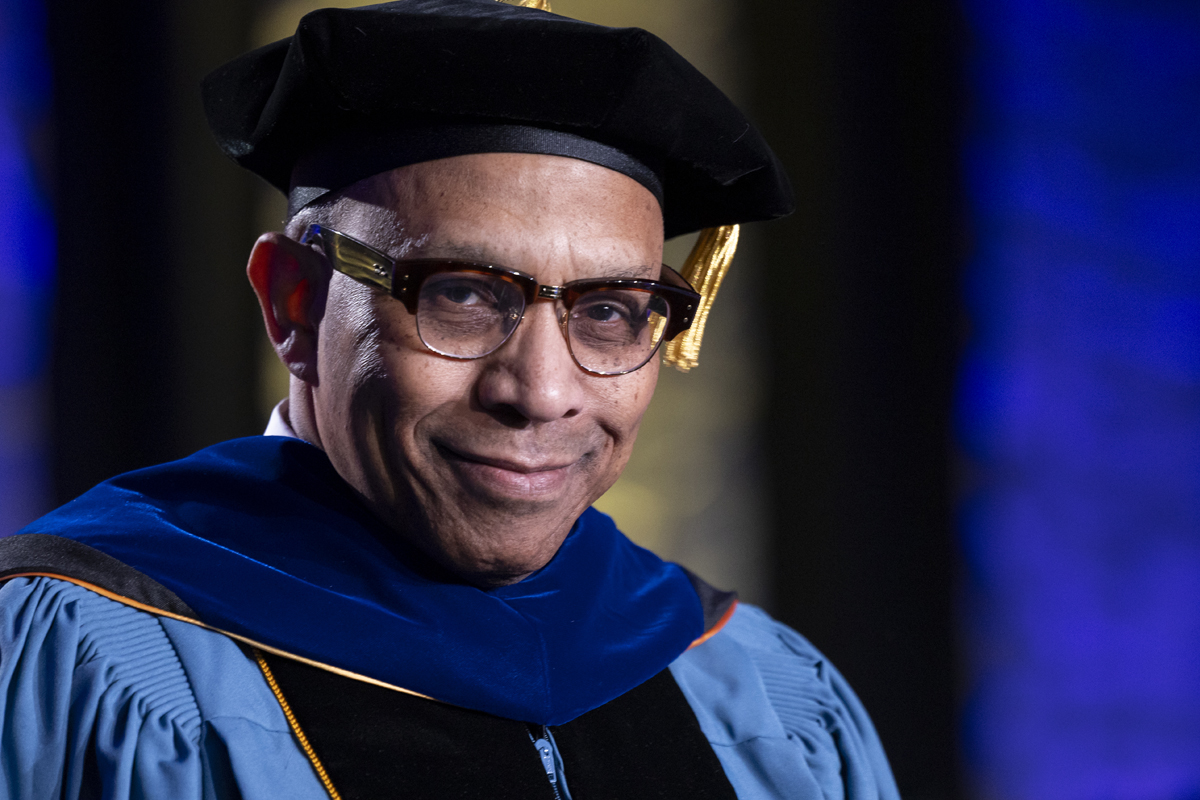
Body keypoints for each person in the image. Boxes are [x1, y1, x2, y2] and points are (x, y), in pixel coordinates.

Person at [0, 1, 900, 798]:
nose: (542, 393)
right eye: (462, 294)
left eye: (612, 311)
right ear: (294, 303)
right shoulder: (86, 658)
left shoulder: (756, 687)